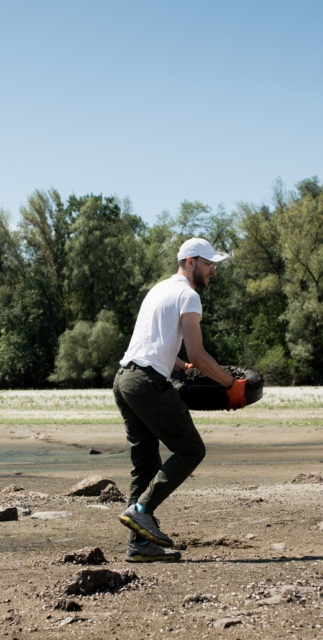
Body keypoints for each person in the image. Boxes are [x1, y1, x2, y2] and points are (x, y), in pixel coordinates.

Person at [113, 237, 246, 563]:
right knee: (191, 450)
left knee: (145, 464)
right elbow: (198, 355)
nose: (213, 270)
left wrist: (179, 365)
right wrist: (232, 385)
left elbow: (154, 343)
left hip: (123, 380)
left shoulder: (158, 289)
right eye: (209, 263)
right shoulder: (188, 295)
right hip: (146, 383)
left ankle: (140, 546)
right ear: (190, 261)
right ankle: (141, 509)